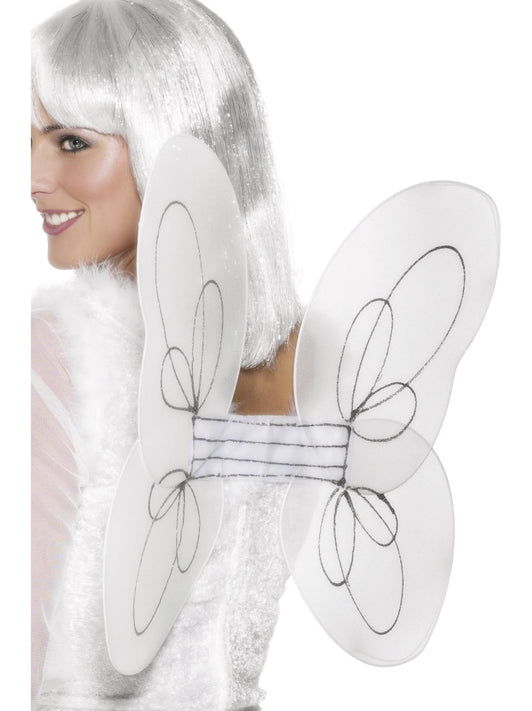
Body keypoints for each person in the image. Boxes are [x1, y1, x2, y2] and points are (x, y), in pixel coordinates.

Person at [31, 0, 301, 708]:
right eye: (32, 140)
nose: (34, 179)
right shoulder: (301, 361)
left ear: (170, 137)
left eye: (70, 142)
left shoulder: (59, 349)